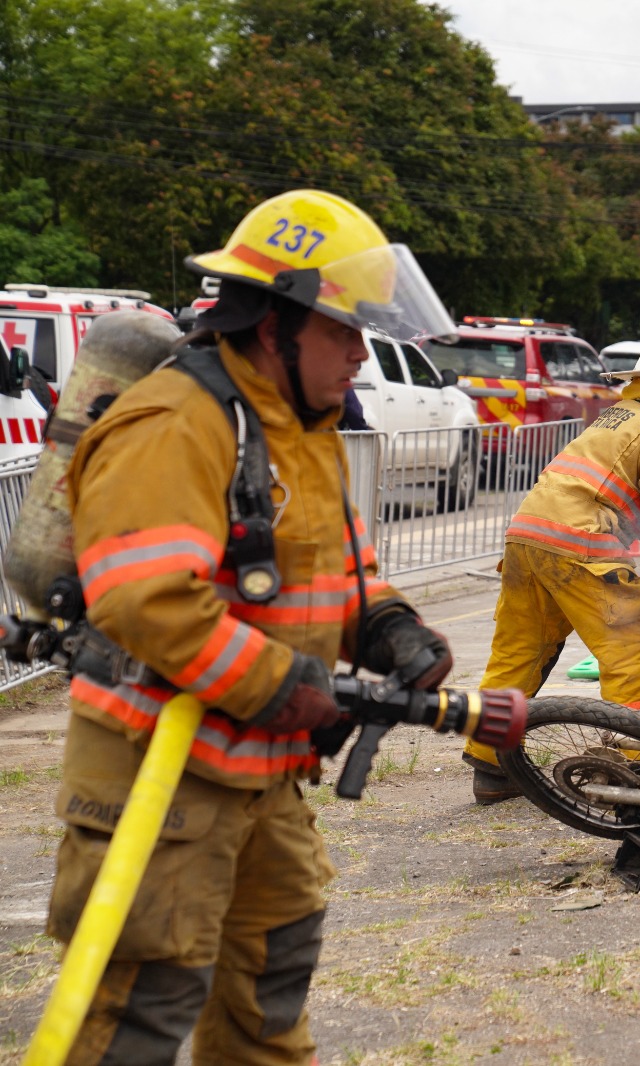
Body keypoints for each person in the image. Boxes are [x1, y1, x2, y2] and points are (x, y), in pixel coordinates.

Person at [50, 189, 458, 1063]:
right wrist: (289, 688)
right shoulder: (175, 423)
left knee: (271, 993)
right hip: (158, 784)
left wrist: (389, 627)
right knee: (139, 1013)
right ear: (274, 325)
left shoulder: (300, 427)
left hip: (263, 778)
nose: (361, 352)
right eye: (343, 330)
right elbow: (146, 596)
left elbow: (333, 573)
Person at [464, 344, 640, 803]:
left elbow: (610, 494)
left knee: (518, 653)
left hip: (526, 537)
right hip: (578, 543)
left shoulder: (612, 420)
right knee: (634, 650)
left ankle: (492, 766)